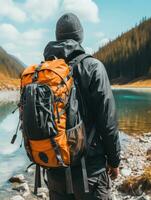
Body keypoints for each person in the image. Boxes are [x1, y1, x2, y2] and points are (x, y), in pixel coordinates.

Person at [43, 13, 121, 200]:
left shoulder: (45, 71)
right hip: (90, 171)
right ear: (80, 37)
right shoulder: (93, 67)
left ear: (57, 36)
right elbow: (107, 120)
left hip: (55, 169)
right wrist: (114, 160)